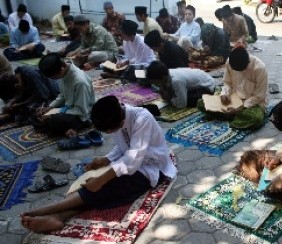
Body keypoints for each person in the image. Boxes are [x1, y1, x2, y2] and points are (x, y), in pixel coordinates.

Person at [20, 95, 177, 233]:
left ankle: (50, 210)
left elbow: (132, 160)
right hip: (132, 163)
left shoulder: (143, 119)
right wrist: (106, 159)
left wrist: (101, 180)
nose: (109, 134)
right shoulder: (118, 116)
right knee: (100, 187)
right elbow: (123, 145)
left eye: (109, 131)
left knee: (107, 186)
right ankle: (60, 216)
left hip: (152, 168)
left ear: (121, 121)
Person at [198, 46, 267, 130]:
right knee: (201, 103)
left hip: (250, 103)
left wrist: (239, 109)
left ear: (248, 62)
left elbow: (260, 96)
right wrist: (225, 94)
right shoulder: (229, 61)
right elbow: (227, 83)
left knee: (256, 118)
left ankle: (226, 115)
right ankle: (233, 116)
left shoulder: (260, 68)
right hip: (233, 98)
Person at [35, 53, 95, 137]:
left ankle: (70, 127)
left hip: (83, 116)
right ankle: (58, 126)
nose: (53, 79)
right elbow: (62, 95)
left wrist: (53, 114)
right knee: (39, 109)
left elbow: (81, 111)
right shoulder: (64, 72)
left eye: (54, 77)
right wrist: (50, 107)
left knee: (54, 120)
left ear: (62, 68)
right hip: (68, 108)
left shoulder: (80, 82)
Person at [146, 61, 215, 109]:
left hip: (207, 86)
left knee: (188, 101)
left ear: (163, 77)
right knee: (175, 94)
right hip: (196, 83)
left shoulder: (176, 81)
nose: (155, 84)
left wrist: (169, 97)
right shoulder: (166, 75)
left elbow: (181, 105)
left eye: (155, 82)